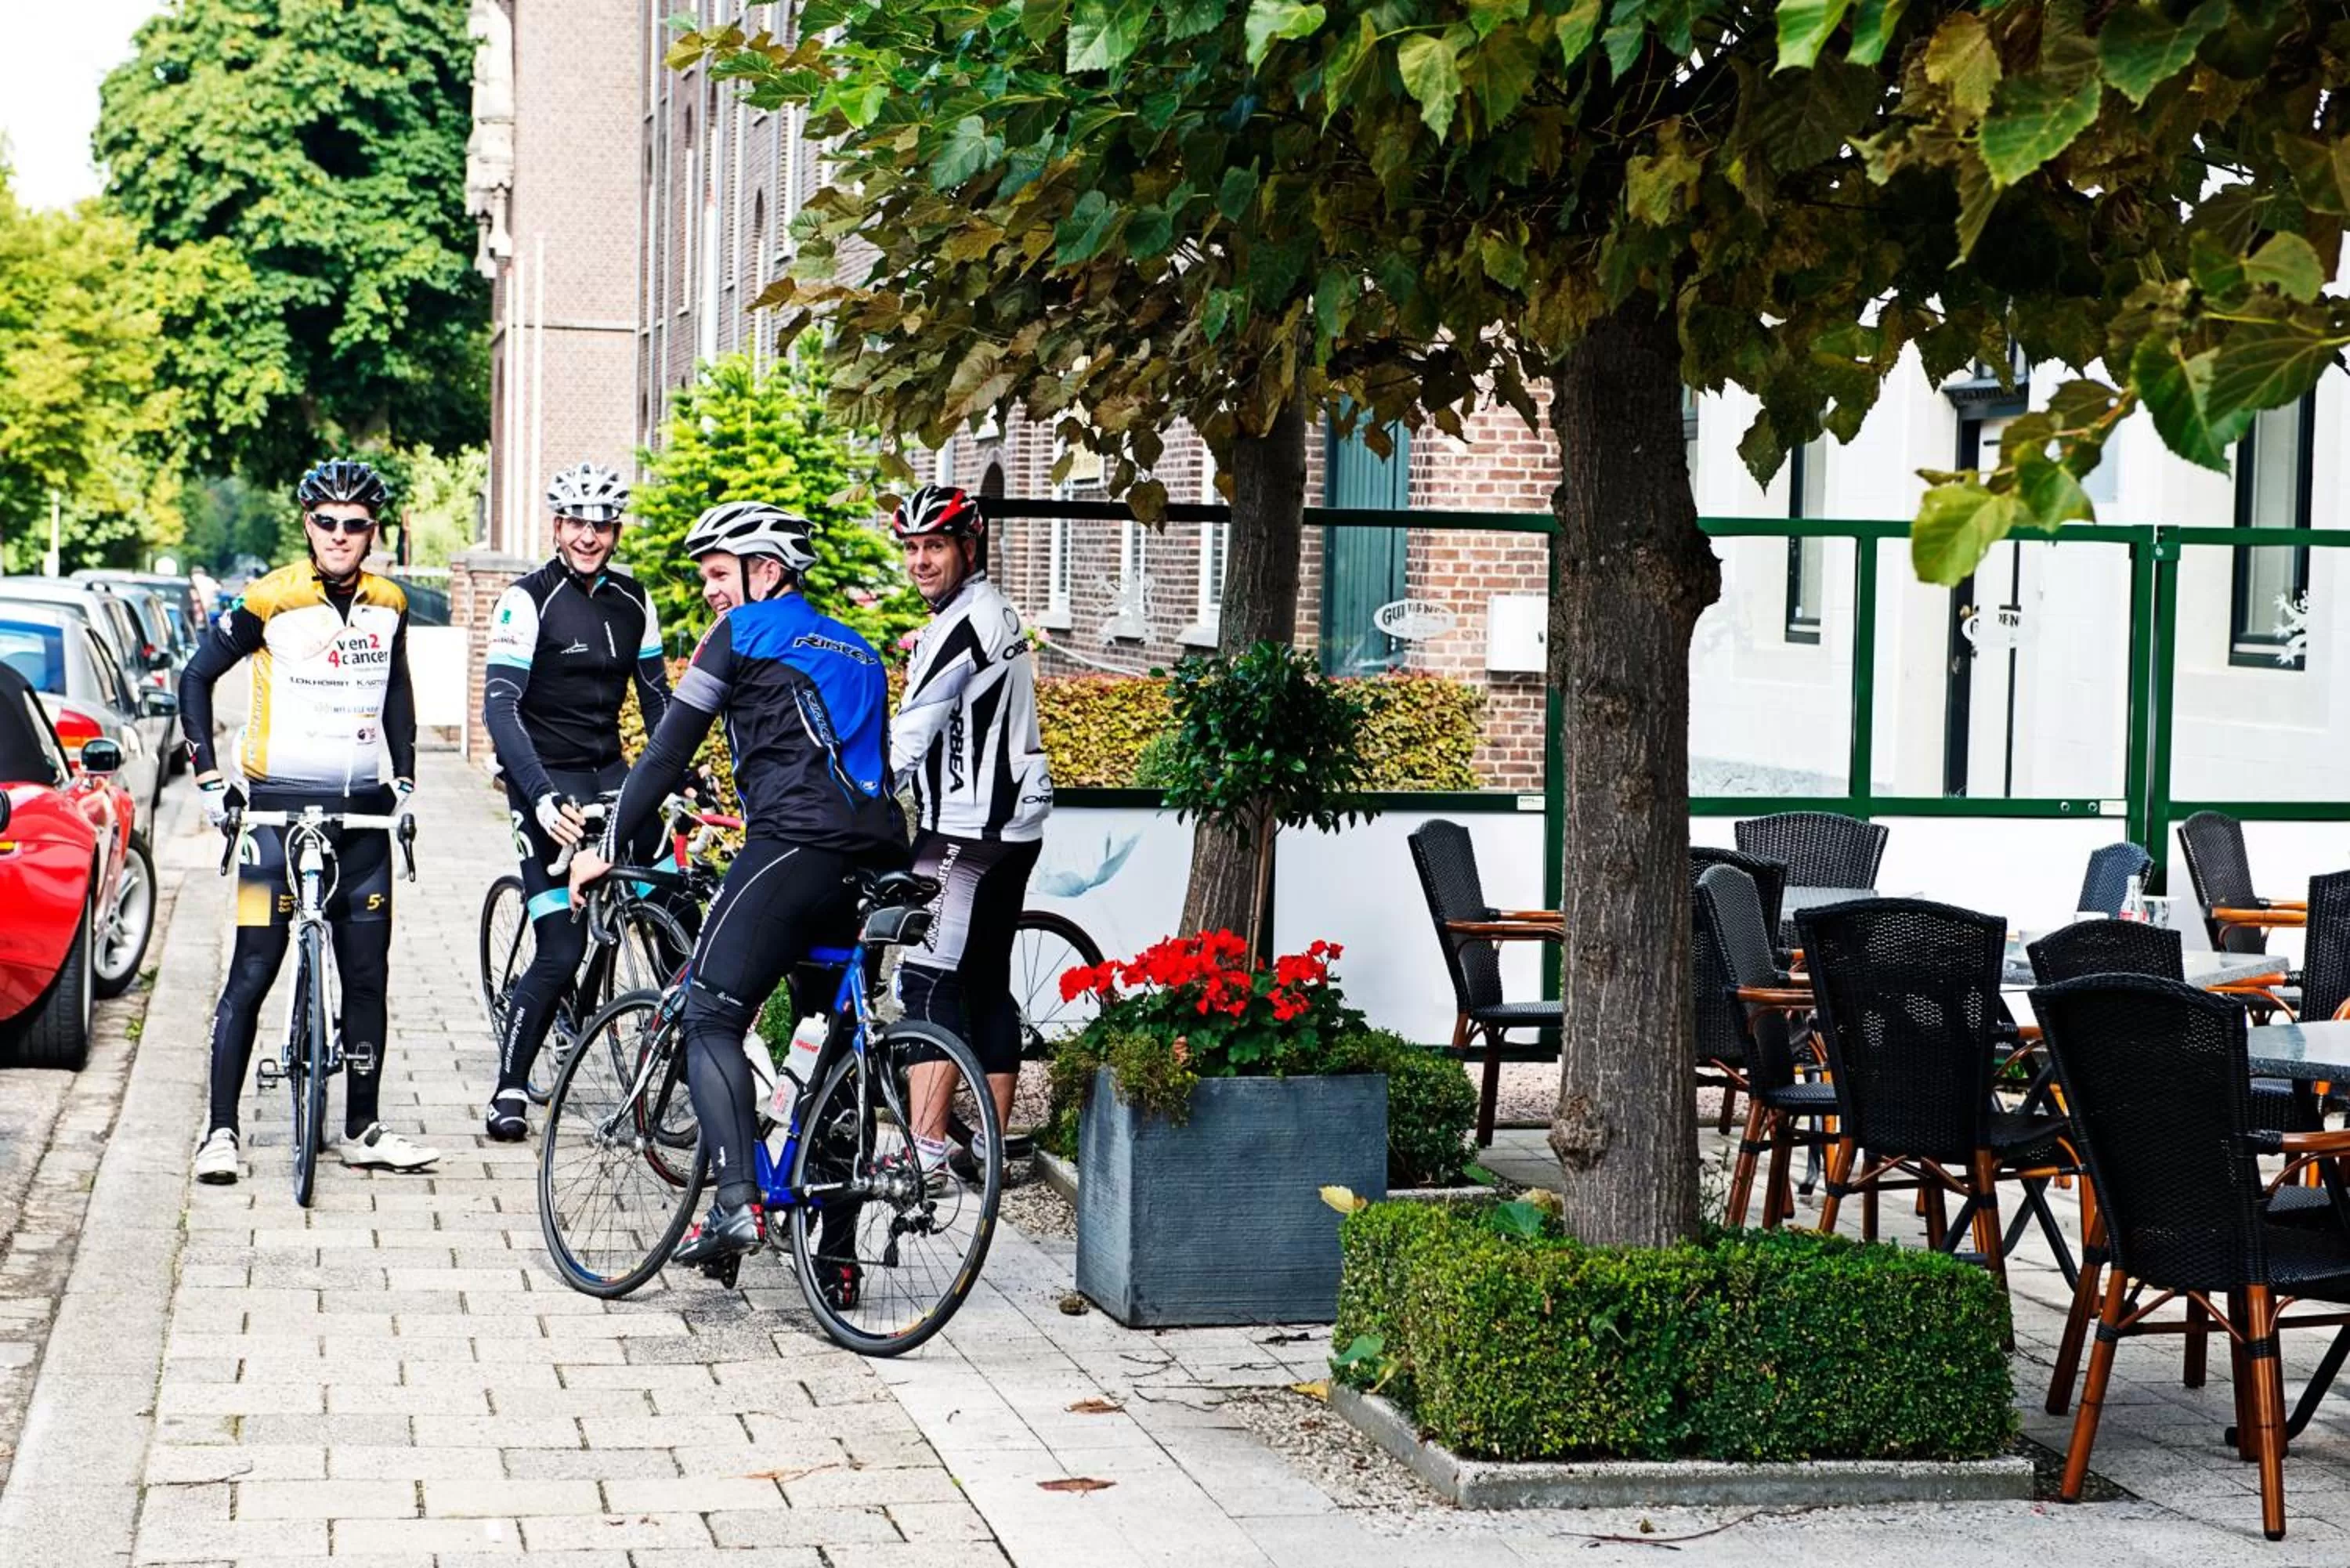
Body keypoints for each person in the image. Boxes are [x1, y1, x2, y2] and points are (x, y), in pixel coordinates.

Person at [567, 500, 906, 1267]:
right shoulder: (859, 648)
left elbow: (660, 757)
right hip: (873, 859)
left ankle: (733, 1205)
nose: (711, 591)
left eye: (720, 574)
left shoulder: (742, 633)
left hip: (792, 850)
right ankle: (838, 1258)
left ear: (768, 570)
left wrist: (607, 846)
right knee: (831, 1044)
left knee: (711, 1011)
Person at [180, 459, 438, 1185]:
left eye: (355, 524)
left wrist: (407, 775)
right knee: (255, 968)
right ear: (307, 524)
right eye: (326, 521)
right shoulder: (270, 597)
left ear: (372, 532)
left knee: (367, 975)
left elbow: (397, 687)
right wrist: (208, 778)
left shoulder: (390, 599)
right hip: (274, 814)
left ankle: (362, 1127)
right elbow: (197, 676)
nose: (339, 535)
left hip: (363, 818)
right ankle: (221, 1133)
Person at [478, 461, 672, 1140]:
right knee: (559, 951)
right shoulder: (525, 600)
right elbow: (499, 709)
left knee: (678, 916)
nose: (590, 535)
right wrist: (535, 795)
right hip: (544, 778)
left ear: (616, 529)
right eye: (578, 523)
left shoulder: (634, 600)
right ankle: (508, 1087)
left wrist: (682, 775)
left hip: (611, 774)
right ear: (558, 527)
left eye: (602, 524)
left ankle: (675, 1067)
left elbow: (658, 703)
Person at [888, 484, 1052, 1183]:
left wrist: (852, 797)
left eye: (936, 547)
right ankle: (985, 1146)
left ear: (968, 547)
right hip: (1011, 824)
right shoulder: (989, 609)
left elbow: (911, 735)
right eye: (913, 549)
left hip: (971, 828)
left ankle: (922, 1152)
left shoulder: (963, 624)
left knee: (925, 978)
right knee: (985, 980)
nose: (922, 561)